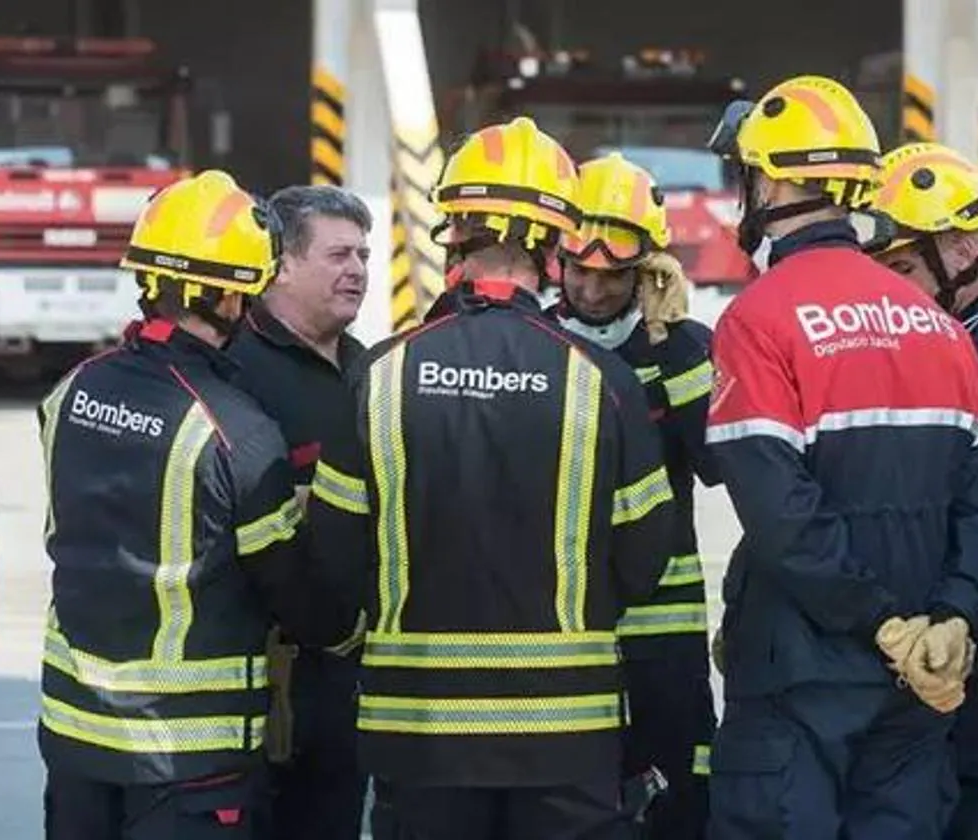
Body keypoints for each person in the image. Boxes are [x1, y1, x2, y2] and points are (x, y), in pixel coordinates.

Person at [307, 116, 675, 840]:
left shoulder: (382, 372)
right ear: (554, 243)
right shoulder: (602, 380)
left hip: (416, 729)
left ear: (455, 233)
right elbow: (646, 553)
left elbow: (335, 546)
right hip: (568, 732)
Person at [702, 75, 978, 839]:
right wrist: (949, 619)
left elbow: (781, 513)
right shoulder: (937, 325)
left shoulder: (758, 319)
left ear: (771, 181)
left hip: (801, 675)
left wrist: (880, 622)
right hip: (921, 682)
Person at [37, 169, 361, 839]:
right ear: (234, 295)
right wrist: (350, 628)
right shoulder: (235, 431)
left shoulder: (72, 391)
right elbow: (289, 588)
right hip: (187, 760)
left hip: (74, 740)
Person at [861, 142, 978, 839]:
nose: (896, 289)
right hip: (975, 631)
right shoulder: (974, 339)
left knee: (957, 817)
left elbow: (955, 500)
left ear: (964, 247)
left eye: (907, 268)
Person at [551, 151, 719, 839]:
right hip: (567, 629)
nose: (591, 291)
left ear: (647, 268)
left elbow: (714, 460)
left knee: (683, 804)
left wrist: (667, 347)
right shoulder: (533, 346)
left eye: (612, 276)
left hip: (664, 636)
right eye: (579, 271)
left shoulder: (681, 349)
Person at [225, 184, 374, 840]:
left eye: (365, 255)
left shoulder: (370, 370)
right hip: (268, 676)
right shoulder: (235, 370)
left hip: (351, 676)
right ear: (282, 264)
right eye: (339, 254)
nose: (359, 271)